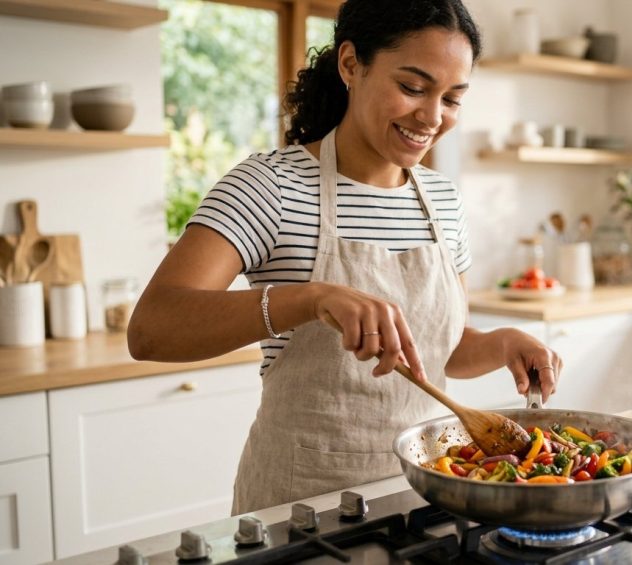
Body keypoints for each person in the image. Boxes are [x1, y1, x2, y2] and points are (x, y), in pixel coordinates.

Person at [128, 0, 562, 514]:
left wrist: (498, 343)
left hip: (427, 496)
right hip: (303, 510)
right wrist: (311, 299)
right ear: (351, 64)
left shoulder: (442, 200)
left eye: (452, 98)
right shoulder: (271, 186)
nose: (432, 117)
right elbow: (152, 329)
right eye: (413, 87)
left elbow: (431, 353)